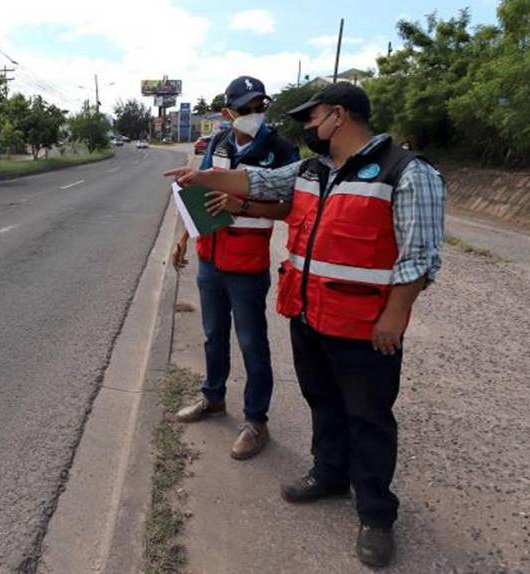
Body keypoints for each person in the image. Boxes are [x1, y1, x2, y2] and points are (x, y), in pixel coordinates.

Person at [163, 82, 446, 567]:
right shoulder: (312, 170)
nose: (308, 128)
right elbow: (259, 185)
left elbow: (420, 257)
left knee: (369, 418)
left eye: (313, 119)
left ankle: (376, 514)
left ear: (339, 116)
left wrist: (395, 316)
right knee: (324, 402)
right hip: (310, 314)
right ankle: (330, 474)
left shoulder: (407, 173)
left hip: (366, 326)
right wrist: (204, 178)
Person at [171, 76, 299, 461]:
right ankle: (213, 398)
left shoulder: (281, 151)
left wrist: (240, 205)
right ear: (229, 113)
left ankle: (256, 421)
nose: (254, 115)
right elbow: (196, 190)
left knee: (251, 342)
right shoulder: (218, 143)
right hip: (210, 256)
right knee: (213, 334)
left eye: (260, 107)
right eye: (245, 109)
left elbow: (290, 208)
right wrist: (182, 239)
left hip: (246, 262)